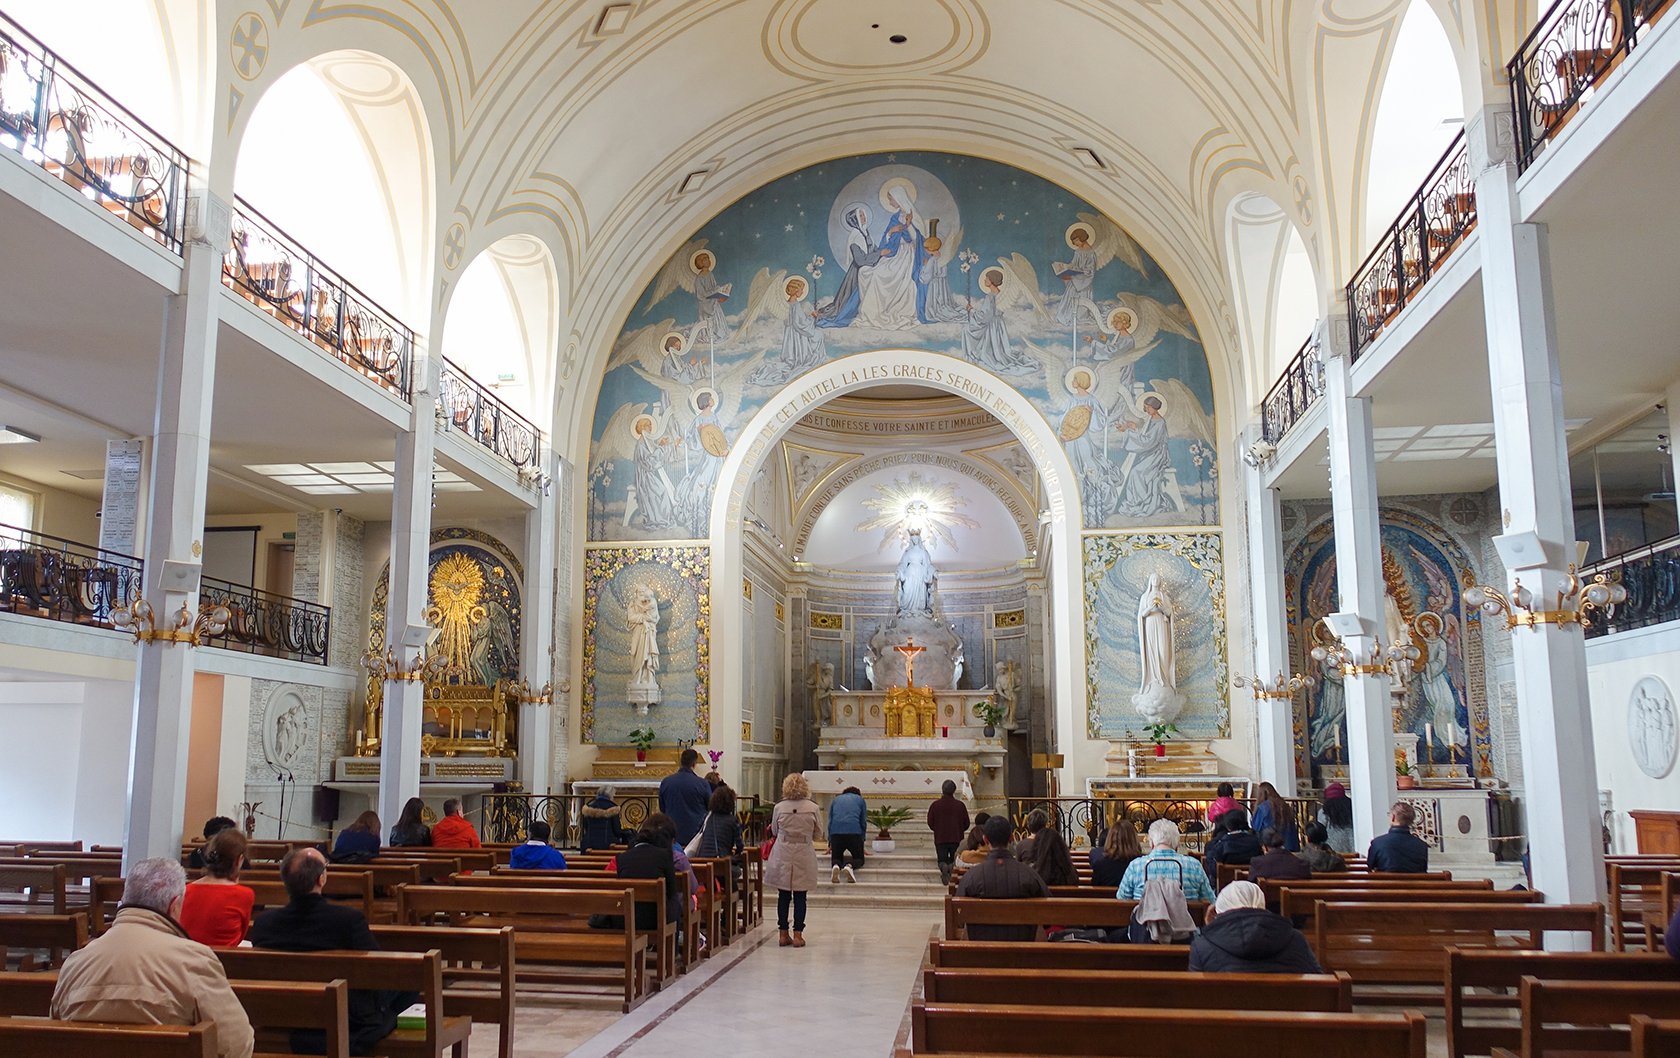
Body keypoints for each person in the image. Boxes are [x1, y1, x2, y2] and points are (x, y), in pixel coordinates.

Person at [52, 857, 254, 1058]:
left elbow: (52, 1038)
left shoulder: (76, 962)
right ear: (174, 906)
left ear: (125, 900)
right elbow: (237, 1045)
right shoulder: (194, 961)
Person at [248, 848, 414, 1055]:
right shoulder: (347, 920)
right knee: (410, 981)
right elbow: (376, 969)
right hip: (339, 1011)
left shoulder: (264, 923)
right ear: (321, 879)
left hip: (285, 1009)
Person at [1188, 881, 1323, 974]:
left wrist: (1211, 929)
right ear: (1262, 905)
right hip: (1287, 1014)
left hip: (1226, 1014)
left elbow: (1196, 995)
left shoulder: (1202, 946)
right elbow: (1318, 981)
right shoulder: (1295, 938)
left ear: (1219, 911)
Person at [954, 815, 1049, 940]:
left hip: (981, 952)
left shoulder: (971, 877)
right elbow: (1048, 910)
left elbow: (958, 914)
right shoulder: (1030, 874)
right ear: (1011, 838)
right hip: (1023, 951)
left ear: (986, 840)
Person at [764, 772, 822, 948]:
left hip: (783, 851)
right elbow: (819, 834)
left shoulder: (779, 807)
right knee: (800, 895)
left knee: (783, 894)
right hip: (803, 851)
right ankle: (798, 935)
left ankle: (783, 934)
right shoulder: (813, 808)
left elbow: (774, 830)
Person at [179, 828, 255, 948]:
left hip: (188, 958)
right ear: (239, 860)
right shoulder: (244, 894)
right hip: (224, 962)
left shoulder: (186, 890)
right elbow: (239, 937)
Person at [1118, 819, 1215, 903]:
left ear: (1151, 843)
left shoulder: (1136, 866)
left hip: (1145, 923)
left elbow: (1122, 899)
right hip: (1185, 923)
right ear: (1177, 844)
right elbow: (1210, 900)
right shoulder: (1194, 866)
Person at [612, 819, 682, 933]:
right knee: (675, 904)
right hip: (656, 918)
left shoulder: (622, 857)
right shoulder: (665, 855)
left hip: (627, 917)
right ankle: (673, 947)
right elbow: (671, 891)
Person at [658, 747, 713, 846]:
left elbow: (662, 808)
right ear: (694, 764)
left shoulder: (666, 782)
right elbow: (710, 807)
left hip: (672, 834)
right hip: (695, 835)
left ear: (681, 762)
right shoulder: (702, 784)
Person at [693, 784, 745, 885]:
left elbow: (697, 833)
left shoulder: (707, 817)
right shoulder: (732, 820)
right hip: (720, 862)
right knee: (736, 871)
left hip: (702, 862)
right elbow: (740, 845)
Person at [926, 779, 971, 885]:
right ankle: (950, 872)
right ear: (954, 790)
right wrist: (959, 829)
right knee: (954, 860)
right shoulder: (960, 805)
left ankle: (944, 870)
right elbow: (966, 823)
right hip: (956, 838)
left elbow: (930, 822)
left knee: (941, 859)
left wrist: (938, 829)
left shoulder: (935, 805)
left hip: (940, 838)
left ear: (942, 790)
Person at [1368, 801, 1431, 873]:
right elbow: (1423, 870)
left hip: (1386, 883)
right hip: (1413, 884)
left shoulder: (1377, 843)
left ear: (1393, 817)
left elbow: (1370, 867)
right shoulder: (1421, 845)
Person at [1202, 806, 1262, 881]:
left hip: (1227, 883)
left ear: (1228, 827)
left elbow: (1214, 869)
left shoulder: (1222, 845)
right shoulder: (1256, 842)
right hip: (1251, 881)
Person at [827, 785, 868, 883]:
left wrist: (830, 842)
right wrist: (862, 841)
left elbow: (830, 821)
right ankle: (849, 866)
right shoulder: (860, 800)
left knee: (836, 857)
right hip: (854, 832)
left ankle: (836, 866)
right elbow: (863, 821)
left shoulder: (835, 800)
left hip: (836, 833)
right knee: (859, 859)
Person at [1247, 828, 1311, 886]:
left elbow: (1251, 885)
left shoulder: (1258, 863)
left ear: (1264, 847)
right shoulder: (1302, 864)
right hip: (1298, 898)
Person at [1089, 821, 1142, 888]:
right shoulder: (1142, 863)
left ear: (1110, 838)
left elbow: (1095, 889)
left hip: (1107, 898)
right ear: (1134, 839)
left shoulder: (1100, 865)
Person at [1249, 781, 1299, 852]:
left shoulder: (1262, 808)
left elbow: (1256, 827)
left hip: (1271, 846)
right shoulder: (1284, 805)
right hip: (1289, 845)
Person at [1317, 783, 1355, 854]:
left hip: (1331, 850)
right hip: (1352, 847)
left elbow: (1320, 831)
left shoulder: (1324, 812)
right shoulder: (1352, 809)